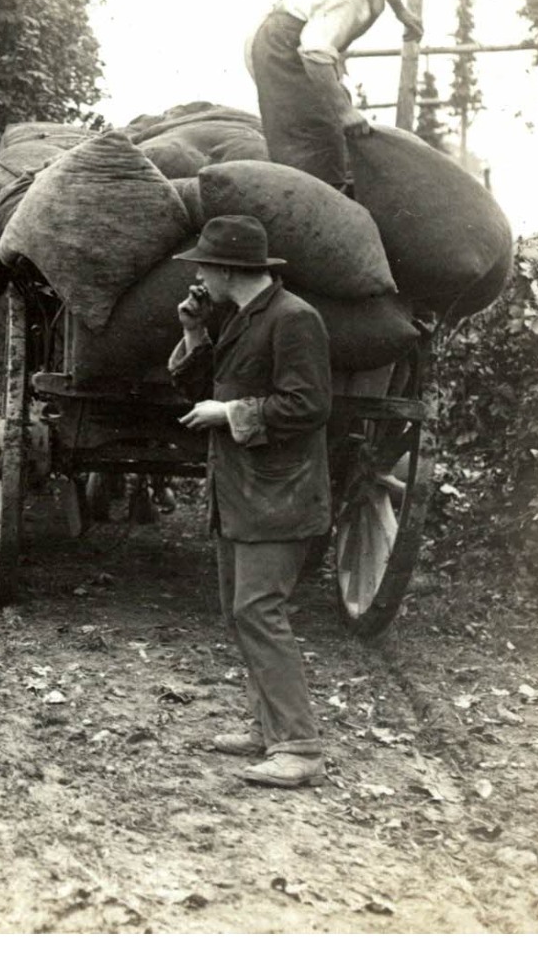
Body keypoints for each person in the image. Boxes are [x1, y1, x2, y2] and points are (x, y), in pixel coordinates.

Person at [169, 215, 332, 789]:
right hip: (242, 490)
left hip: (280, 494)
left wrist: (230, 414)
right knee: (239, 612)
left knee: (259, 612)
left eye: (202, 267)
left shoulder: (294, 319)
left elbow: (308, 406)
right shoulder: (241, 318)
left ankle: (300, 746)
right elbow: (204, 390)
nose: (197, 276)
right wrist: (193, 333)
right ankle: (270, 727)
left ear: (225, 269)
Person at [247, 0, 440, 190]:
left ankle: (332, 191)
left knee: (332, 128)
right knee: (314, 137)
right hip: (282, 52)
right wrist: (345, 111)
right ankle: (310, 204)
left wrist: (401, 12)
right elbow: (314, 54)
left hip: (297, 44)